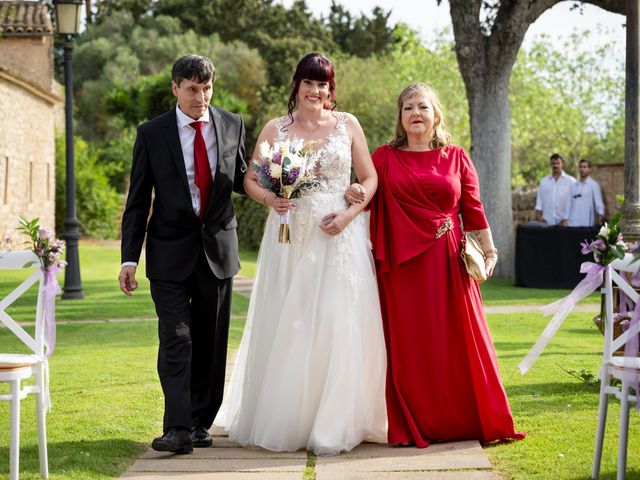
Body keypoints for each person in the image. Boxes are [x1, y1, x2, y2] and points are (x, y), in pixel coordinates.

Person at [216, 52, 387, 455]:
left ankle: (337, 418)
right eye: (309, 83)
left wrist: (350, 211)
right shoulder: (277, 128)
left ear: (330, 89)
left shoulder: (348, 125)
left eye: (323, 84)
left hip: (339, 233)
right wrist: (269, 200)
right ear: (296, 85)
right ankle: (290, 415)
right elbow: (251, 178)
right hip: (290, 233)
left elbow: (370, 177)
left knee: (337, 319)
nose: (315, 91)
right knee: (291, 319)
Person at [359, 82, 524, 447]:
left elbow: (474, 207)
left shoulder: (456, 157)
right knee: (410, 346)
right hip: (400, 267)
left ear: (436, 115)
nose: (415, 114)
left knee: (456, 342)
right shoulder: (383, 158)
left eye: (422, 107)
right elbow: (365, 200)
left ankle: (464, 418)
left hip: (447, 261)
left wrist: (490, 249)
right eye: (407, 108)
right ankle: (416, 421)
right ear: (400, 118)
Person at [119, 54, 247, 454]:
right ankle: (176, 427)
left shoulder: (232, 124)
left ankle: (199, 423)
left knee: (210, 342)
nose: (201, 97)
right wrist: (129, 258)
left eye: (207, 88)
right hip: (169, 252)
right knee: (176, 338)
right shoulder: (152, 133)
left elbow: (243, 176)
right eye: (193, 89)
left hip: (217, 250)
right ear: (175, 88)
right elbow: (138, 201)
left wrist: (284, 181)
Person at [534, 153, 576, 225]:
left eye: (558, 163)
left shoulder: (571, 181)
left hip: (565, 223)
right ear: (550, 164)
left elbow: (575, 203)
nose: (556, 165)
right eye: (553, 163)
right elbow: (539, 201)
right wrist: (539, 217)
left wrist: (567, 219)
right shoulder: (543, 182)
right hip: (546, 222)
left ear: (562, 164)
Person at [565, 158, 604, 227]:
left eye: (584, 167)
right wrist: (565, 218)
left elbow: (599, 204)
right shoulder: (573, 185)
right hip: (572, 224)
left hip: (587, 224)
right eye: (580, 167)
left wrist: (600, 218)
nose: (582, 169)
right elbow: (568, 204)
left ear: (589, 169)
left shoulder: (594, 185)